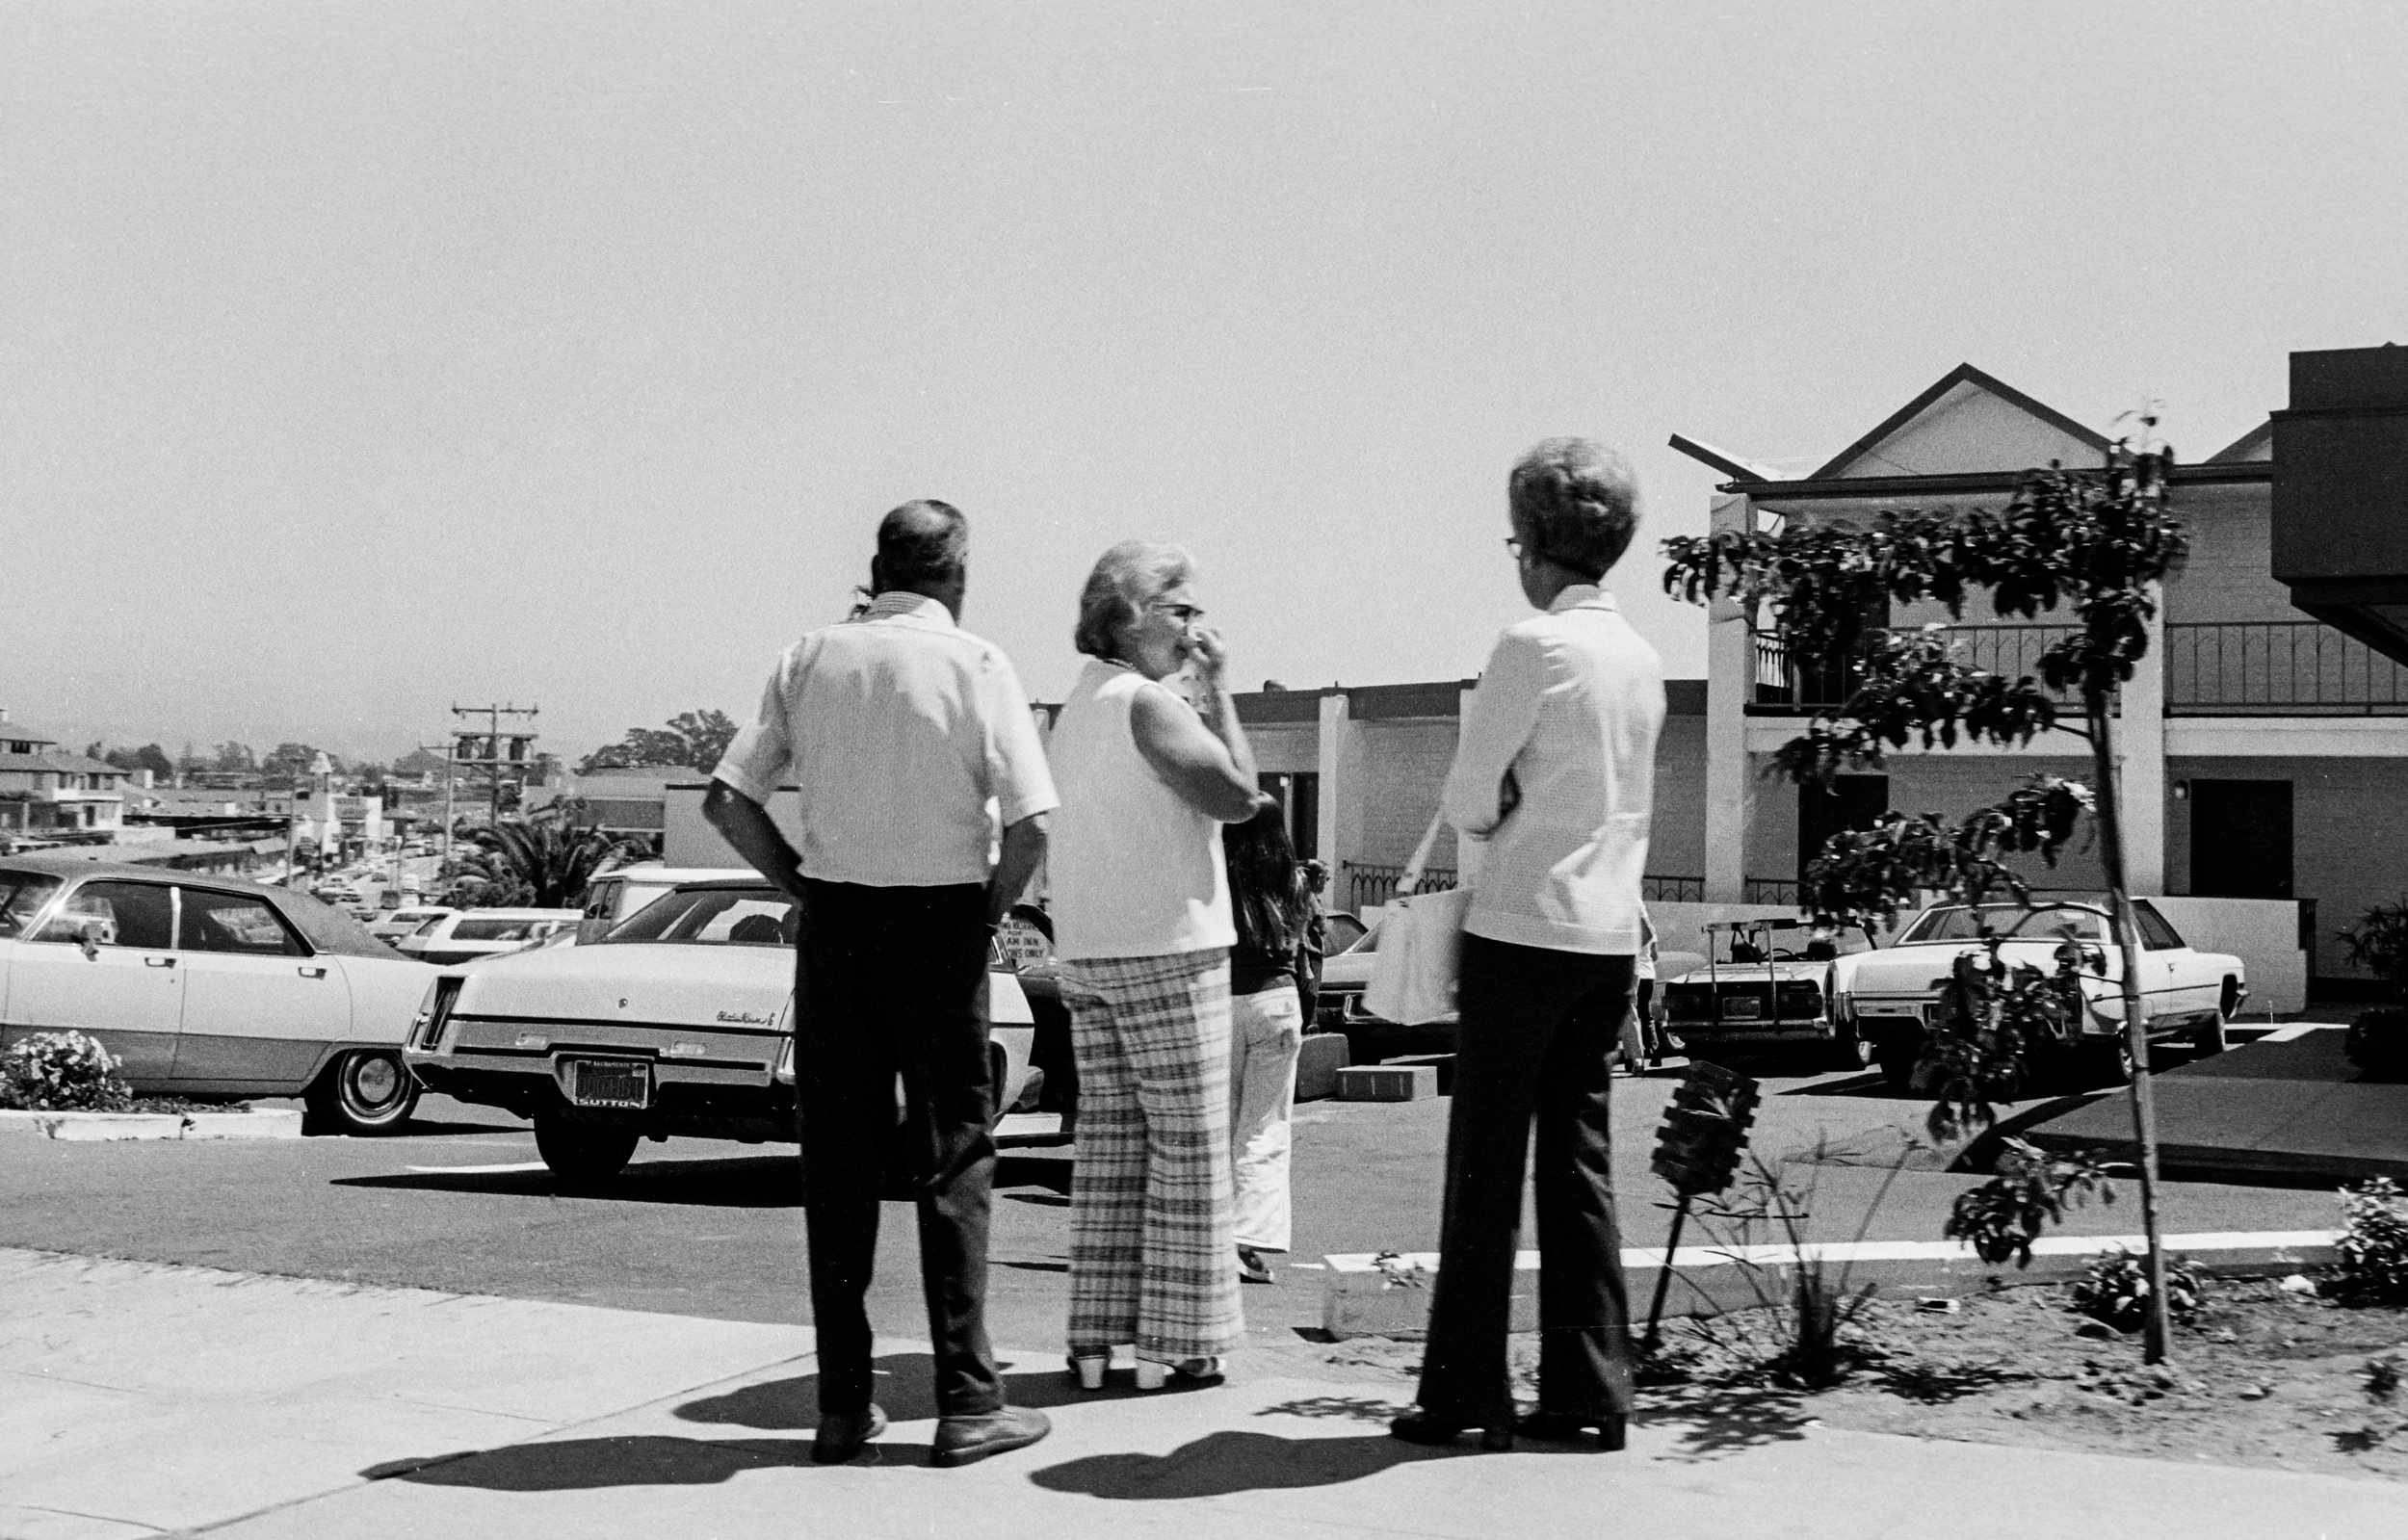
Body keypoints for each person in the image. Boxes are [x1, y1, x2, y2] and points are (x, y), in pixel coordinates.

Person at [704, 499, 1058, 1469]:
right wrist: (983, 914)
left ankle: (842, 1404)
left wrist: (800, 883)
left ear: (876, 567)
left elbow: (726, 800)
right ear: (959, 573)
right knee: (953, 1158)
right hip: (941, 922)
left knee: (839, 1165)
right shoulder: (978, 664)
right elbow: (1030, 828)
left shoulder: (809, 656)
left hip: (840, 925)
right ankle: (966, 1401)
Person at [1390, 438, 1664, 1454]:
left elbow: (1468, 796)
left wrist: (1502, 798)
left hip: (1518, 928)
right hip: (1604, 942)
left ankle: (1465, 1393)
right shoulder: (1638, 659)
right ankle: (1591, 1394)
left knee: (1486, 1167)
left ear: (1534, 545)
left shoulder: (1530, 646)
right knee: (1578, 1167)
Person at [1047, 540, 1270, 1391]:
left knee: (1109, 1147)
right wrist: (1220, 694)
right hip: (1167, 948)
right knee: (1188, 1147)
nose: (1194, 627)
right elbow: (1239, 796)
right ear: (1131, 614)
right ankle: (1187, 1340)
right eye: (1180, 610)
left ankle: (1097, 1341)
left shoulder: (1080, 704)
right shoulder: (1149, 703)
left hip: (1090, 947)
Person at [1222, 805, 1312, 1286]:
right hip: (1276, 1003)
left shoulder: (1215, 875)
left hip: (1220, 1000)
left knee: (1219, 1125)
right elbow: (1306, 949)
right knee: (1263, 1128)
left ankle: (1217, 1243)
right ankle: (1246, 1242)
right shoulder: (1291, 881)